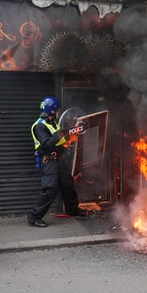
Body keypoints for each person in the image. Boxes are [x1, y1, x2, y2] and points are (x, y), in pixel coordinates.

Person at [27, 96, 85, 228]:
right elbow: (47, 144)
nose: (58, 113)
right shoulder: (39, 126)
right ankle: (34, 216)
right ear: (52, 111)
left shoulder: (52, 124)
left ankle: (72, 210)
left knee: (68, 185)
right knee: (50, 189)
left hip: (58, 159)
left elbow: (59, 141)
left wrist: (71, 136)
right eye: (57, 111)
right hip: (48, 161)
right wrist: (62, 133)